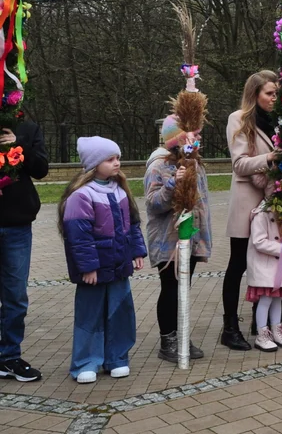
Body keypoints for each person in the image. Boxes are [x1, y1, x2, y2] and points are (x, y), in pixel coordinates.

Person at [60, 137, 147, 383]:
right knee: (90, 315)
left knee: (121, 312)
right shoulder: (82, 196)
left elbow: (133, 225)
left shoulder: (120, 191)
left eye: (117, 158)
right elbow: (78, 236)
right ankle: (86, 362)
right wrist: (88, 267)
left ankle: (117, 358)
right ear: (94, 163)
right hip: (95, 271)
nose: (116, 163)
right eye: (110, 159)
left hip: (119, 266)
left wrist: (137, 251)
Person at [144, 116, 212, 362]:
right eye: (195, 133)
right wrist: (174, 183)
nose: (200, 138)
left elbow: (201, 203)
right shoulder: (159, 166)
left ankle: (182, 334)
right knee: (171, 288)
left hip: (190, 237)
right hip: (168, 240)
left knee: (184, 287)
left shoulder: (196, 164)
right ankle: (168, 340)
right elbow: (153, 203)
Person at [221, 70, 277, 351]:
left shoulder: (279, 123)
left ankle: (262, 323)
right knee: (239, 264)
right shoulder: (239, 119)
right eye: (269, 93)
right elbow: (239, 163)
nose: (274, 99)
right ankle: (230, 326)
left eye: (277, 93)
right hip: (247, 199)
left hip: (271, 202)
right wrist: (269, 158)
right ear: (255, 93)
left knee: (266, 264)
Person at [0, 116, 48, 382]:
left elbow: (41, 168)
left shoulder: (27, 128)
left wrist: (18, 145)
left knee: (15, 297)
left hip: (17, 226)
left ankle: (8, 357)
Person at [246, 202, 282, 352]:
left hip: (280, 265)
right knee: (266, 299)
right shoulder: (261, 215)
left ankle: (277, 329)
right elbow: (259, 241)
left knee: (277, 298)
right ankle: (262, 334)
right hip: (265, 265)